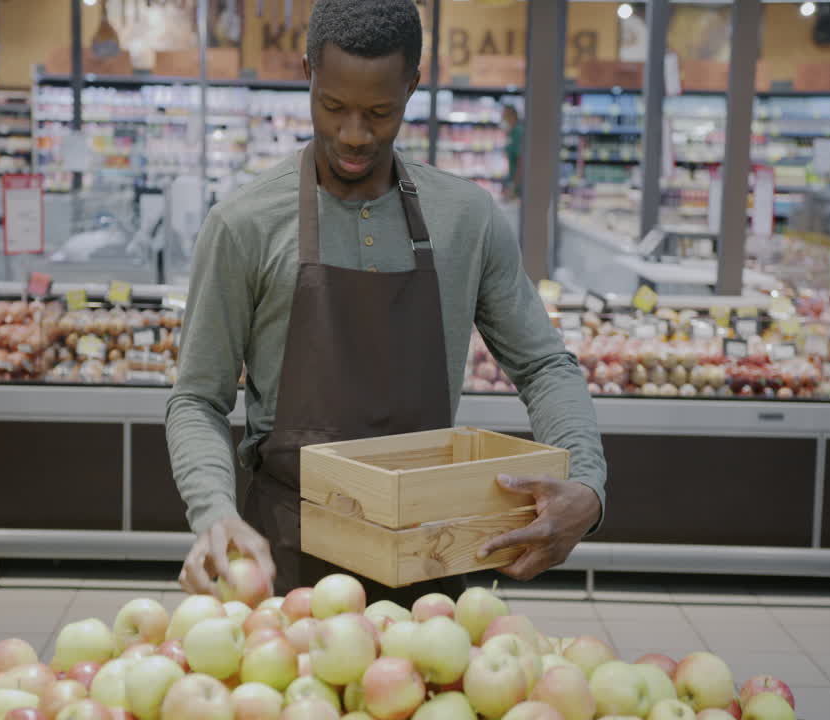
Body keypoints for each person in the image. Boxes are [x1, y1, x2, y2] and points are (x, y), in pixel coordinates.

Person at [166, 0, 606, 604]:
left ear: (413, 88)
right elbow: (196, 398)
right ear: (307, 76)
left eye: (380, 112)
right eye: (333, 107)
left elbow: (544, 366)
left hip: (427, 557)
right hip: (282, 558)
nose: (353, 134)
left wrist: (585, 482)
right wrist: (213, 511)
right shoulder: (245, 224)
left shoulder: (465, 220)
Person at [502, 104, 524, 199]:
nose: (502, 118)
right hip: (513, 180)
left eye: (504, 115)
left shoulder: (518, 132)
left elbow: (521, 160)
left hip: (518, 183)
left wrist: (513, 186)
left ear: (512, 115)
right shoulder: (511, 132)